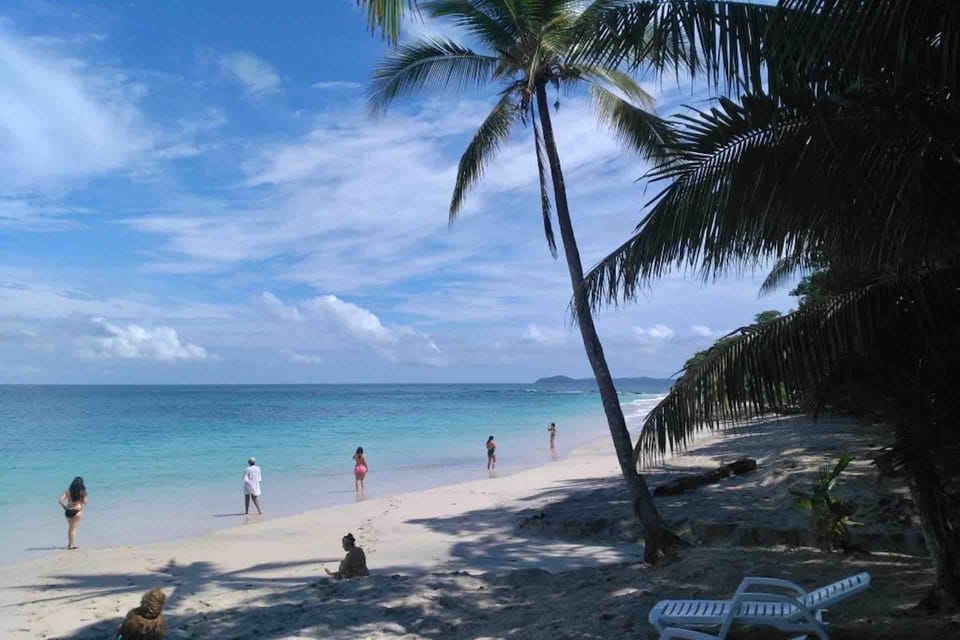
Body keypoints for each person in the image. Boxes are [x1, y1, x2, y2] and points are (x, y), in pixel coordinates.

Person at [58, 476, 88, 550]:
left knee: (70, 528)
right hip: (77, 511)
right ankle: (72, 545)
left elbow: (60, 500)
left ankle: (70, 544)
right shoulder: (82, 492)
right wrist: (81, 499)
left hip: (68, 511)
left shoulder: (68, 490)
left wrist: (65, 508)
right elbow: (85, 502)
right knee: (73, 529)